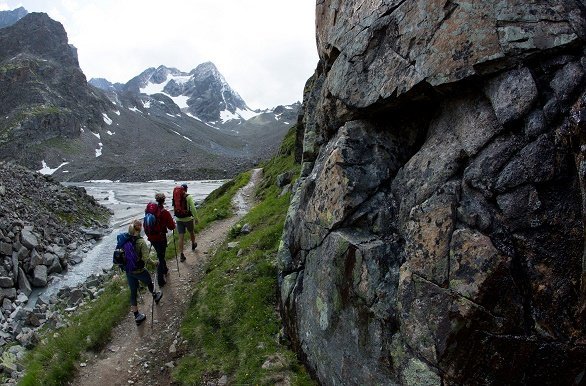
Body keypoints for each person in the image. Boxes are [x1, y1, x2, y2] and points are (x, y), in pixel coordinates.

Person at [124, 219, 163, 325]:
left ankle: (137, 316)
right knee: (149, 281)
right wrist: (155, 263)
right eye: (140, 225)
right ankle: (155, 295)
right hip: (139, 270)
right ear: (139, 228)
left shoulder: (125, 239)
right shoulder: (141, 242)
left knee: (133, 292)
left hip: (128, 270)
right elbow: (146, 259)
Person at [146, 193, 176, 287]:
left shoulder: (150, 211)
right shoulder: (164, 212)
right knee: (160, 256)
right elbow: (171, 227)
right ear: (164, 200)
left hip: (151, 237)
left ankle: (165, 269)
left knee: (160, 254)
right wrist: (173, 223)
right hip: (161, 237)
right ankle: (160, 280)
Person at [175, 183, 198, 262]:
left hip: (178, 219)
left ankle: (181, 254)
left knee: (181, 237)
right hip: (188, 219)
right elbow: (193, 208)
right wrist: (196, 218)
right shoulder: (189, 197)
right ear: (186, 189)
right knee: (191, 232)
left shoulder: (176, 197)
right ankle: (193, 244)